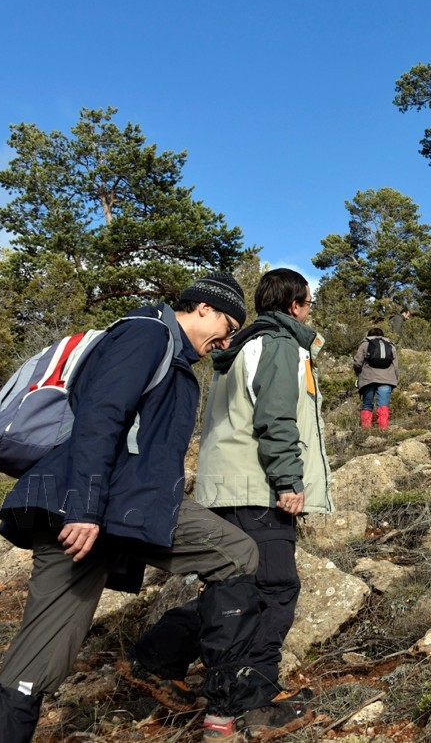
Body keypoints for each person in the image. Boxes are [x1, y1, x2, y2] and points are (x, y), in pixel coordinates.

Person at [0, 272, 299, 742]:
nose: (225, 338)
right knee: (237, 553)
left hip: (94, 509)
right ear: (202, 307)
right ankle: (235, 709)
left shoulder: (171, 356)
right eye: (226, 322)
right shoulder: (147, 334)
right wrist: (83, 507)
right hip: (98, 504)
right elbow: (101, 415)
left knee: (33, 664)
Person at [120, 268, 330, 733]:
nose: (310, 310)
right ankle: (252, 698)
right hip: (257, 487)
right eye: (309, 302)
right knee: (273, 592)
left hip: (223, 486)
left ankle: (157, 657)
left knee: (233, 590)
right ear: (295, 305)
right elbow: (275, 419)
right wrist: (288, 481)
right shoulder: (279, 345)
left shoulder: (235, 349)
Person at [354, 327, 398, 430]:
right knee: (383, 405)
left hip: (368, 378)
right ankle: (383, 429)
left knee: (367, 404)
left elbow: (357, 362)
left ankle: (365, 429)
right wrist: (395, 379)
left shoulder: (365, 344)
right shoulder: (390, 345)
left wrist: (358, 373)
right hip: (387, 379)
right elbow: (395, 365)